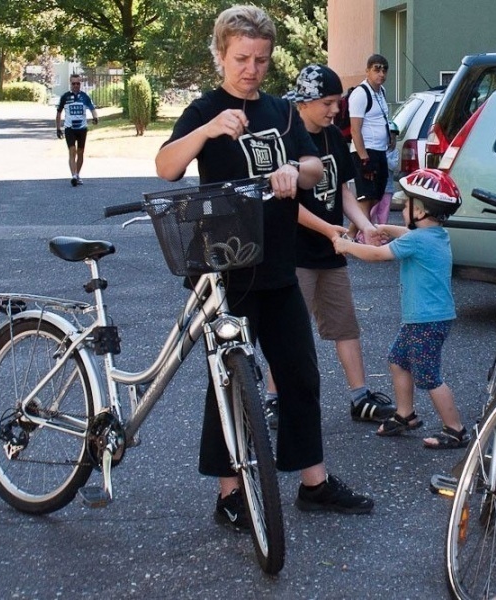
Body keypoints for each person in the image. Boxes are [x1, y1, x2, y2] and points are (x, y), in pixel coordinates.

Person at [155, 5, 374, 527]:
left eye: (260, 59)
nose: (250, 68)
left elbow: (316, 166)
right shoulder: (206, 108)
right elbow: (166, 168)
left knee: (299, 373)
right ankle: (229, 494)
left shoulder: (280, 110)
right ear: (220, 56)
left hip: (277, 264)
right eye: (241, 58)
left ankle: (313, 483)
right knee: (230, 379)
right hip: (225, 270)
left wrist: (292, 171)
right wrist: (207, 130)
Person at [260, 63, 395, 430]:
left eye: (337, 102)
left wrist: (365, 226)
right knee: (289, 330)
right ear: (305, 102)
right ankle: (274, 399)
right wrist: (330, 231)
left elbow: (342, 189)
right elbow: (284, 201)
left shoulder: (333, 137)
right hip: (294, 252)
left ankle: (359, 397)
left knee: (346, 326)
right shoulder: (286, 138)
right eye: (329, 103)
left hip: (331, 250)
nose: (335, 110)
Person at [334, 169, 470, 450]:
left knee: (430, 376)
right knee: (398, 360)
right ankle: (404, 414)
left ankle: (455, 429)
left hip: (426, 320)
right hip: (427, 319)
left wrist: (345, 245)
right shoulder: (435, 234)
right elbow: (406, 233)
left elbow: (376, 255)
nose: (402, 208)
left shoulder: (417, 241)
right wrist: (384, 228)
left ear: (419, 210)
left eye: (406, 203)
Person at [346, 54, 391, 240]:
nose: (380, 74)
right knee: (365, 198)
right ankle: (361, 238)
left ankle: (350, 234)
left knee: (375, 197)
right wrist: (364, 159)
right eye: (376, 69)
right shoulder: (360, 94)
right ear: (368, 71)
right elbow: (355, 131)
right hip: (364, 152)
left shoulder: (381, 92)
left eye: (384, 70)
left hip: (380, 151)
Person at [55, 74, 99, 187]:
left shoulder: (84, 96)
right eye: (73, 83)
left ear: (80, 84)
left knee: (80, 152)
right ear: (70, 84)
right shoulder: (65, 97)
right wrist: (58, 128)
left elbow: (92, 108)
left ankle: (77, 174)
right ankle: (73, 175)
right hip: (69, 128)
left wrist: (95, 117)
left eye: (78, 83)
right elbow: (59, 113)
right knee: (72, 151)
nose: (75, 85)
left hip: (82, 129)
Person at [367, 120, 398, 228]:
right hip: (375, 187)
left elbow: (394, 166)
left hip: (388, 189)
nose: (389, 140)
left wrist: (385, 158)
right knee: (371, 211)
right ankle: (365, 232)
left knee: (384, 212)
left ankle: (382, 231)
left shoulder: (394, 152)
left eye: (392, 138)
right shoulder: (375, 150)